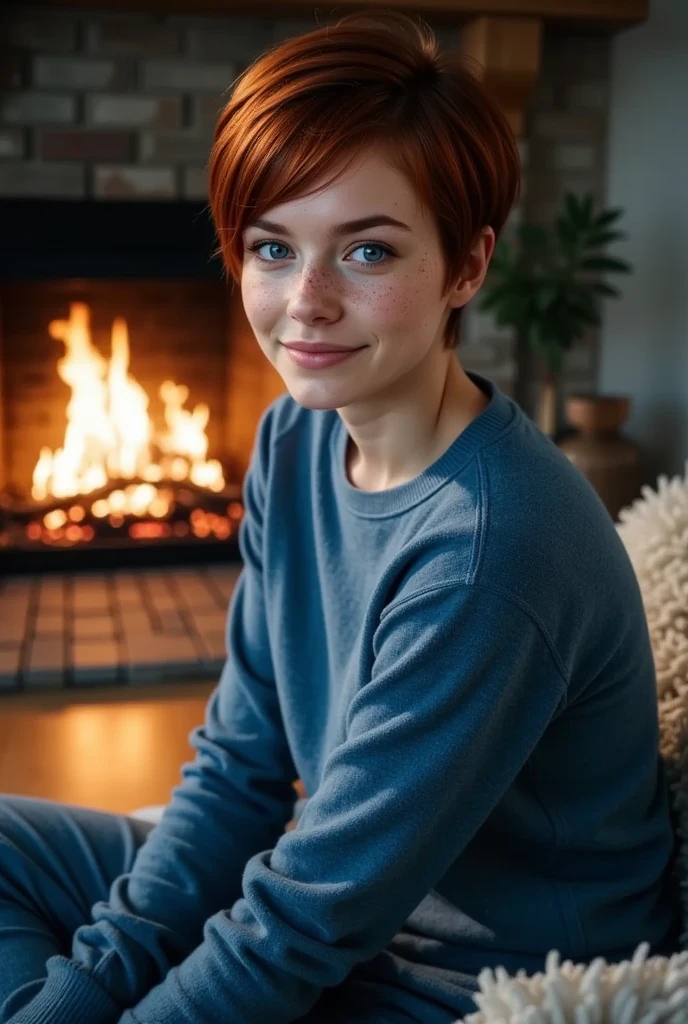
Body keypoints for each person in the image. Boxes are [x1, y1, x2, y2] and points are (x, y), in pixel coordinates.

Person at [0, 10, 680, 1024]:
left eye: (366, 252)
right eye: (271, 247)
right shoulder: (291, 439)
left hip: (471, 976)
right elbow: (241, 765)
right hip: (339, 905)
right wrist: (91, 985)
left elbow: (304, 920)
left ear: (466, 265)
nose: (303, 302)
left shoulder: (492, 547)